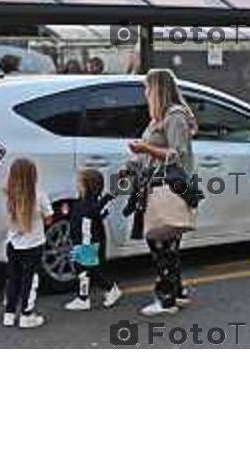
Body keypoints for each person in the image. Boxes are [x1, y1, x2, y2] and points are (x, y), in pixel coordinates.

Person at [124, 69, 197, 317]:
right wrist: (133, 164)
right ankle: (177, 292)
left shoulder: (175, 116)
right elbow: (151, 153)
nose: (145, 93)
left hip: (170, 186)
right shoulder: (158, 117)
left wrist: (146, 147)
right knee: (166, 242)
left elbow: (178, 154)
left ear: (158, 89)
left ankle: (166, 299)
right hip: (155, 184)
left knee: (161, 242)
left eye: (147, 88)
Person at [4, 158, 53, 329]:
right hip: (33, 245)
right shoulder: (39, 195)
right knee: (30, 280)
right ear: (33, 175)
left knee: (13, 279)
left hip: (12, 244)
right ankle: (26, 315)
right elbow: (48, 219)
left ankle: (9, 314)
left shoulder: (8, 193)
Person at [64, 169, 121, 311]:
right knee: (81, 269)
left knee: (90, 269)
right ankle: (83, 298)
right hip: (79, 241)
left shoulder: (92, 203)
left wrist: (108, 196)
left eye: (79, 182)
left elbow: (95, 211)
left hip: (88, 242)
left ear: (88, 185)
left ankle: (111, 289)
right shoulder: (80, 201)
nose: (77, 185)